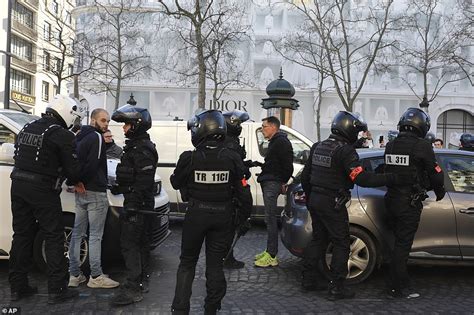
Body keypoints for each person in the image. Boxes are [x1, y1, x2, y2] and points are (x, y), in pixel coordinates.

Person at [300, 111, 411, 301]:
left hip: (317, 199)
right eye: (356, 132)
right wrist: (391, 178)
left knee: (318, 239)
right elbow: (361, 178)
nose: (357, 136)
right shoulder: (345, 151)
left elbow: (305, 177)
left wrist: (312, 199)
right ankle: (337, 287)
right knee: (342, 242)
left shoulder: (319, 146)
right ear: (348, 129)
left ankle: (308, 280)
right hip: (332, 201)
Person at [170, 110, 252, 315]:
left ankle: (180, 310)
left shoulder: (189, 157)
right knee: (215, 265)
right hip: (223, 217)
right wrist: (243, 219)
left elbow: (175, 181)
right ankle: (211, 309)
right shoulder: (232, 157)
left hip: (196, 215)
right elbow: (244, 192)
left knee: (187, 263)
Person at [9, 95, 85, 304]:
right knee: (53, 236)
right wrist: (77, 177)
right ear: (67, 113)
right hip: (42, 189)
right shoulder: (61, 135)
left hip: (18, 185)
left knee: (22, 235)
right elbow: (74, 171)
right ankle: (57, 290)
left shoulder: (27, 127)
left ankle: (17, 287)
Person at [384, 107, 445, 298]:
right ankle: (398, 288)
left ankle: (395, 281)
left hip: (391, 200)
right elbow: (435, 173)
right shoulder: (422, 146)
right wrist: (439, 191)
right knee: (403, 246)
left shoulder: (391, 145)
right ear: (422, 126)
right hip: (408, 203)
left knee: (396, 244)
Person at [109, 104, 158, 306]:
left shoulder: (142, 149)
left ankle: (133, 286)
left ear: (136, 125)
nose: (124, 128)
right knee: (140, 244)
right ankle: (141, 281)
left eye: (127, 124)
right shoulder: (137, 146)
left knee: (130, 244)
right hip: (137, 201)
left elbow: (144, 181)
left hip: (138, 204)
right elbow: (134, 177)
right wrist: (120, 188)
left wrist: (133, 204)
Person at [68, 109, 119, 289]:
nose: (106, 124)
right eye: (103, 120)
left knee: (77, 233)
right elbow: (93, 164)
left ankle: (74, 275)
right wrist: (82, 181)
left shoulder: (79, 135)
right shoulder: (96, 137)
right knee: (95, 236)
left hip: (80, 191)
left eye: (108, 121)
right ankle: (96, 276)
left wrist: (75, 181)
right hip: (94, 191)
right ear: (93, 120)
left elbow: (71, 161)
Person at [254, 116, 293, 268]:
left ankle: (271, 255)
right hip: (271, 181)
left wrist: (282, 181)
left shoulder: (281, 142)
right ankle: (269, 251)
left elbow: (287, 166)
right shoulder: (276, 142)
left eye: (264, 126)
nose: (262, 129)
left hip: (273, 183)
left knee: (270, 219)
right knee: (268, 219)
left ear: (273, 127)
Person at [222, 109, 251, 269]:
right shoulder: (230, 143)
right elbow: (237, 169)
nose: (240, 126)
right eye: (238, 123)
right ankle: (227, 258)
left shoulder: (229, 141)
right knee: (229, 227)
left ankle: (225, 257)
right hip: (232, 190)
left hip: (228, 189)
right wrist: (245, 169)